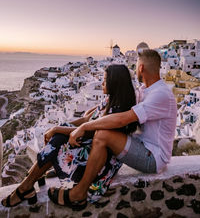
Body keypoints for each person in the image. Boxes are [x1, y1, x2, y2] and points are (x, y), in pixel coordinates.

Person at [48, 49, 177, 209]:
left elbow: (124, 118)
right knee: (102, 131)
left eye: (136, 66)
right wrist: (95, 111)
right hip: (143, 146)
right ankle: (69, 169)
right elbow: (122, 102)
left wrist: (85, 126)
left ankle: (79, 192)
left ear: (141, 68)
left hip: (154, 158)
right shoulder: (146, 91)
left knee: (103, 135)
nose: (135, 70)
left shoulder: (161, 94)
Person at [1, 64, 138, 209]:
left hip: (98, 167)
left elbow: (90, 131)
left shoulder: (119, 111)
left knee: (58, 139)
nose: (102, 83)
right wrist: (62, 126)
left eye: (104, 80)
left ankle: (26, 186)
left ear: (115, 82)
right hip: (89, 152)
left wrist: (57, 129)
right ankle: (27, 184)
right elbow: (86, 121)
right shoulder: (109, 100)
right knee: (59, 136)